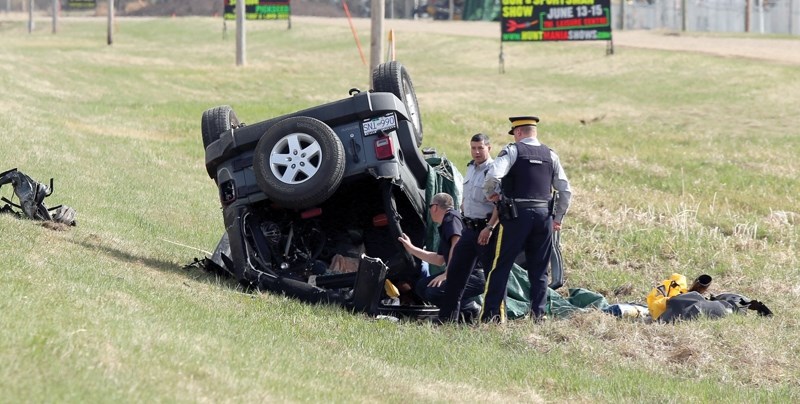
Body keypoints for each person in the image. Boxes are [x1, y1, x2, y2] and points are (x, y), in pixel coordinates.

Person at [480, 116, 572, 323]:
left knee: (501, 266)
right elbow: (565, 190)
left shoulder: (512, 151)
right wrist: (558, 218)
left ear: (518, 132)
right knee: (540, 270)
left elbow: (494, 174)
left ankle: (492, 316)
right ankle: (538, 316)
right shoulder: (550, 154)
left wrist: (490, 194)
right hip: (544, 217)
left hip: (516, 216)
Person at [435, 133, 500, 323]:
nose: (477, 152)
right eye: (473, 148)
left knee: (492, 276)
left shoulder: (495, 171)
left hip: (486, 230)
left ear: (489, 148)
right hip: (469, 229)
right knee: (455, 274)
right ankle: (447, 320)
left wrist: (489, 228)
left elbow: (499, 204)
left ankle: (494, 320)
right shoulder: (471, 168)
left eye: (480, 148)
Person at [397, 192, 472, 314]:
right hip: (458, 272)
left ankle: (471, 309)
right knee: (422, 286)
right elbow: (439, 260)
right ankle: (462, 310)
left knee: (433, 291)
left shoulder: (451, 218)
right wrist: (411, 248)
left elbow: (457, 244)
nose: (430, 210)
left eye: (430, 207)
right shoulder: (446, 223)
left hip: (472, 275)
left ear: (435, 207)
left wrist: (447, 274)